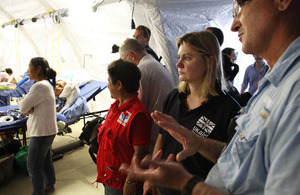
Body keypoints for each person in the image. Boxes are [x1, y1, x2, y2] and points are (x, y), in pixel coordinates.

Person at [120, 0, 300, 194]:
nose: (234, 24)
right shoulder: (272, 85)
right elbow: (239, 158)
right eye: (179, 57)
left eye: (240, 5)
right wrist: (194, 144)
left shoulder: (236, 105)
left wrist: (186, 183)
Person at [147, 31, 240, 195]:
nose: (178, 64)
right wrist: (151, 175)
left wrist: (199, 142)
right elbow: (162, 136)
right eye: (179, 57)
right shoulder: (174, 96)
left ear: (210, 62)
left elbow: (232, 160)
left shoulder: (229, 109)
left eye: (187, 58)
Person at [95, 59, 152, 195]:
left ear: (119, 84)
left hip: (121, 185)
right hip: (109, 178)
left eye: (109, 81)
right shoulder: (116, 107)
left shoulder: (137, 116)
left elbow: (140, 153)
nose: (108, 85)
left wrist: (130, 182)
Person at [119, 38, 175, 151]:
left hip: (156, 130)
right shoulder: (152, 62)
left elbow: (137, 106)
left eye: (123, 60)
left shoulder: (141, 70)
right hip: (166, 123)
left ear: (131, 56)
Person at [19, 57, 57, 195]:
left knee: (33, 165)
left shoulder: (39, 86)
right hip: (48, 130)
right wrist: (29, 107)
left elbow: (23, 106)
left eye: (29, 67)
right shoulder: (46, 84)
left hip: (41, 132)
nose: (27, 71)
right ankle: (49, 183)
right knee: (45, 160)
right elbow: (29, 106)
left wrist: (27, 107)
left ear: (38, 68)